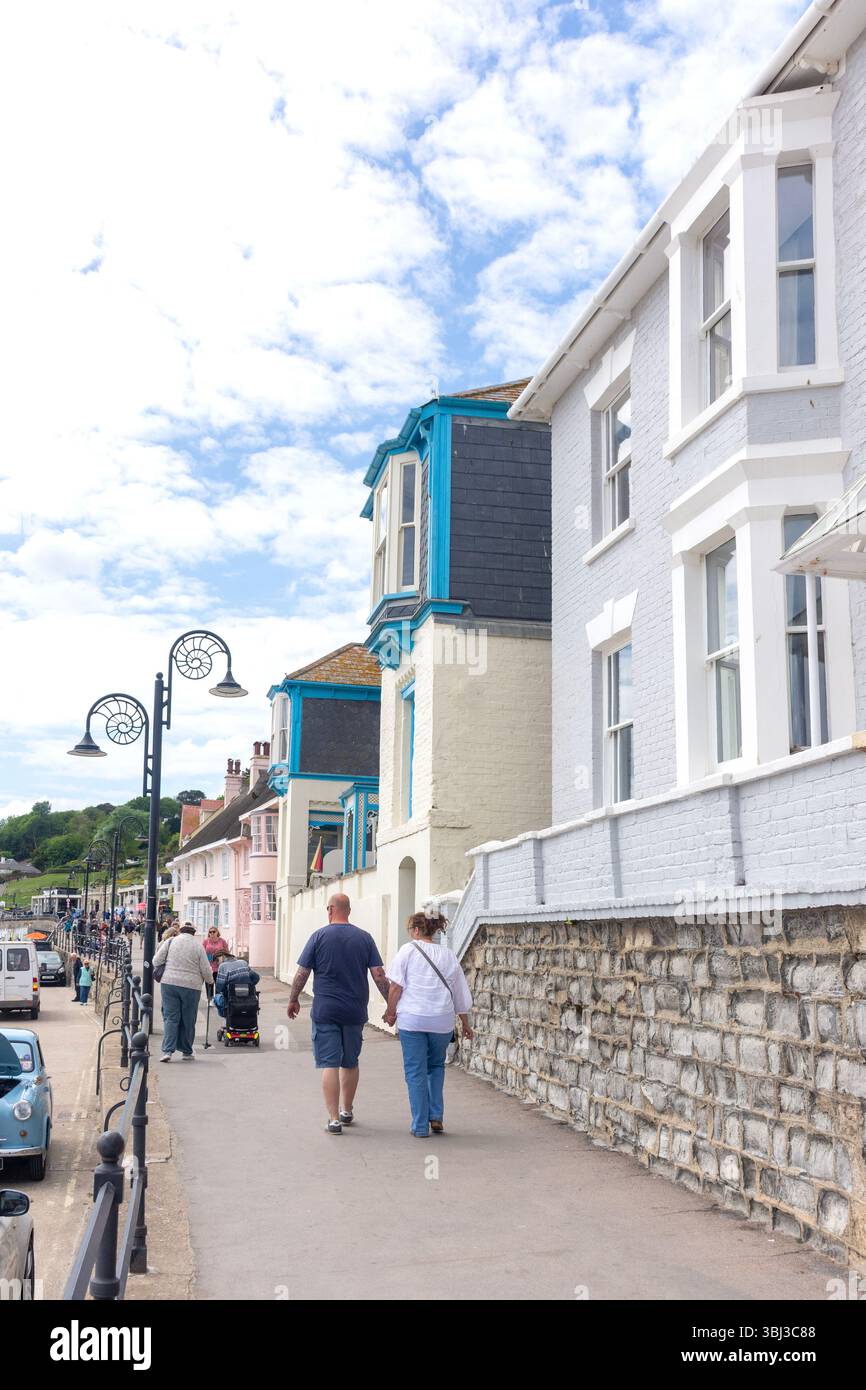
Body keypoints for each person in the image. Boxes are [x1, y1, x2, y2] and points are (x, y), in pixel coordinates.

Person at [286, 892, 389, 1134]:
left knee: (329, 1063)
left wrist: (293, 999)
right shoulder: (364, 938)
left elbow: (302, 973)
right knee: (350, 1062)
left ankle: (333, 1119)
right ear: (349, 911)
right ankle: (347, 1109)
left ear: (330, 909)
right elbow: (379, 975)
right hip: (355, 1010)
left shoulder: (319, 936)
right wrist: (391, 1005)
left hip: (326, 1010)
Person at [383, 908, 474, 1139]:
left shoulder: (407, 951)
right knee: (435, 1067)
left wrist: (390, 1011)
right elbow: (459, 993)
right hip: (441, 1022)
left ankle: (420, 1125)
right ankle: (436, 1116)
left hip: (412, 1020)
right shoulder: (448, 955)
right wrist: (465, 1024)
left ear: (415, 930)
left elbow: (395, 986)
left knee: (415, 1072)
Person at [152, 923, 213, 1062]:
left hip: (169, 984)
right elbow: (205, 969)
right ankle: (186, 1051)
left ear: (180, 931)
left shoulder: (170, 941)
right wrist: (210, 981)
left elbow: (156, 960)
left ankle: (168, 1051)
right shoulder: (198, 946)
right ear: (193, 933)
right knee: (188, 1019)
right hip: (191, 986)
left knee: (170, 1018)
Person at [204, 926, 229, 999]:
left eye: (214, 931)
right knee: (209, 983)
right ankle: (210, 999)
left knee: (219, 984)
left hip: (220, 967)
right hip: (209, 966)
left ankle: (218, 999)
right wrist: (211, 957)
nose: (212, 933)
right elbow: (202, 954)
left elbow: (227, 952)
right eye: (210, 932)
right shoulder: (206, 941)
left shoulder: (222, 941)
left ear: (217, 932)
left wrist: (222, 957)